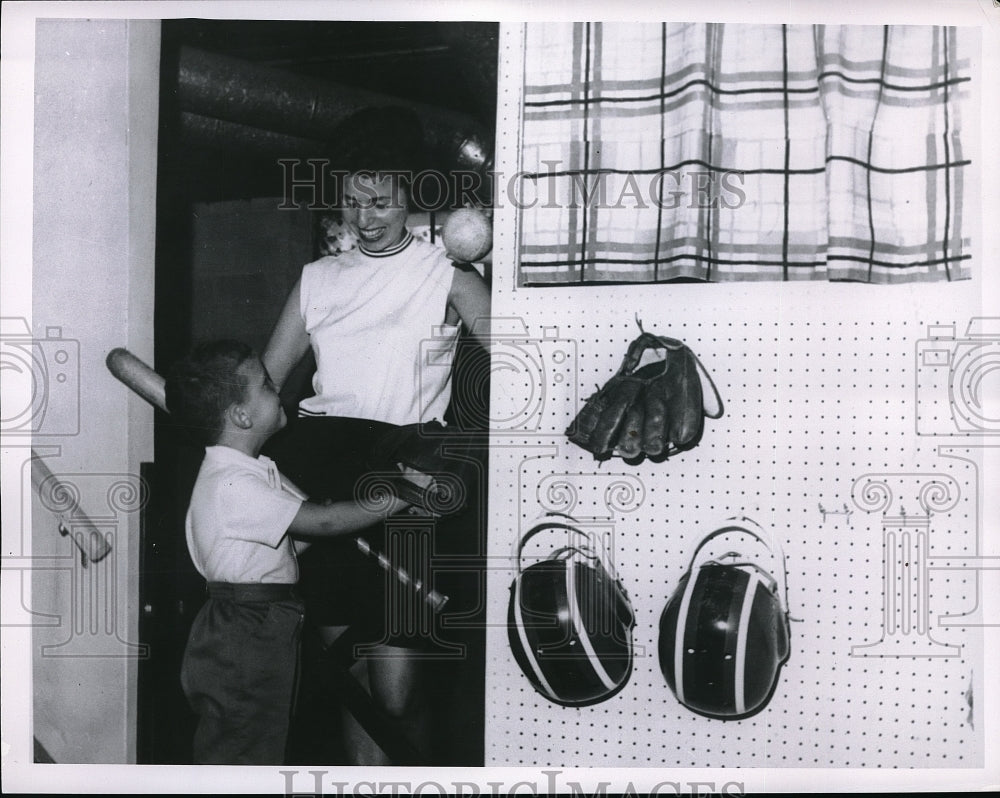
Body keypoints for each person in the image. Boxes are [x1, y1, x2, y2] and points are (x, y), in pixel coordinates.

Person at [261, 107, 491, 765]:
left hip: (407, 480)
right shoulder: (317, 280)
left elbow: (519, 358)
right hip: (325, 477)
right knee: (348, 676)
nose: (365, 216)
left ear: (411, 195)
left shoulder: (447, 274)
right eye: (353, 199)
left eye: (381, 200)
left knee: (398, 687)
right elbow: (265, 389)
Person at [164, 339, 415, 765]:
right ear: (240, 416)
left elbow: (293, 541)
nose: (276, 390)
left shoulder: (247, 471)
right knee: (245, 741)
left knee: (263, 733)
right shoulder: (234, 483)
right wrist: (401, 496)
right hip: (246, 626)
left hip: (262, 621)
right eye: (265, 386)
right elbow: (321, 524)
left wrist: (332, 515)